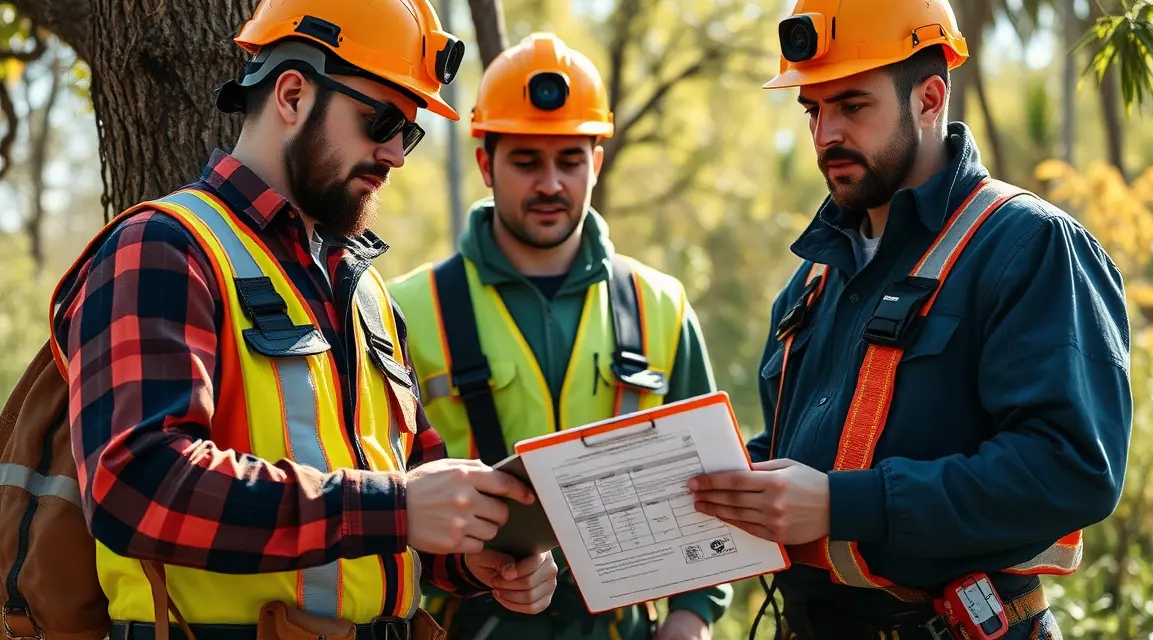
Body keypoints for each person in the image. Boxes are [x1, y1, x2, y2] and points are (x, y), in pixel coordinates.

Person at [46, 1, 557, 638]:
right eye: (383, 120)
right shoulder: (164, 249)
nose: (397, 154)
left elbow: (413, 498)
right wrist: (394, 509)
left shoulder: (365, 291)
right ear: (291, 94)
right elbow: (134, 486)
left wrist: (481, 555)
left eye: (410, 131)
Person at [687, 1, 1132, 639]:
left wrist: (845, 505)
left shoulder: (1027, 246)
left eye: (852, 106)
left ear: (929, 97)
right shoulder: (810, 284)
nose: (824, 136)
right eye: (813, 109)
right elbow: (797, 458)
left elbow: (1072, 468)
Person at [387, 32, 732, 640]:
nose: (550, 183)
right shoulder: (404, 310)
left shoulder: (662, 307)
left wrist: (692, 614)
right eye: (526, 161)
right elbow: (381, 495)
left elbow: (713, 484)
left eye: (570, 159)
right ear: (484, 162)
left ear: (596, 162)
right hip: (464, 623)